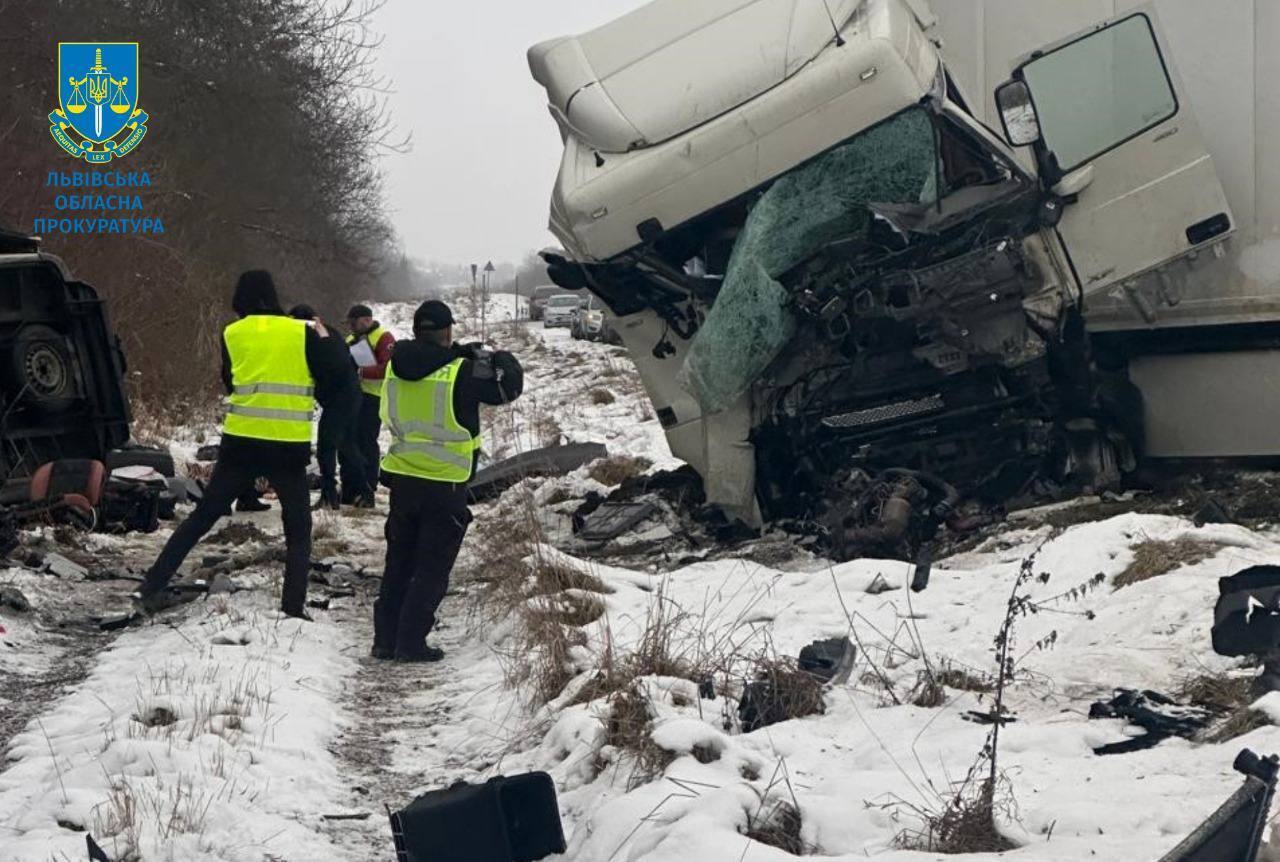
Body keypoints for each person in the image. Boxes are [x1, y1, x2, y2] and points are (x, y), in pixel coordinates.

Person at [137, 271, 343, 618]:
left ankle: (151, 585)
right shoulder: (303, 331)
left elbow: (230, 383)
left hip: (241, 441)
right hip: (286, 444)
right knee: (298, 527)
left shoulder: (232, 332)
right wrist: (324, 335)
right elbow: (335, 372)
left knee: (203, 517)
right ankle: (292, 606)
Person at [373, 299, 523, 661]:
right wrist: (498, 356)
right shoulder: (461, 371)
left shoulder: (395, 366)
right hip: (446, 484)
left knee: (399, 563)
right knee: (431, 568)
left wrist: (458, 354)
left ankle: (384, 640)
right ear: (447, 331)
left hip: (404, 478)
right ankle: (411, 643)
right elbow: (508, 389)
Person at [288, 304, 367, 509]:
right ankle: (364, 491)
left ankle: (329, 495)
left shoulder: (305, 335)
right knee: (348, 444)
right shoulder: (328, 330)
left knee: (326, 446)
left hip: (338, 398)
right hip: (352, 392)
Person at [344, 304, 395, 506]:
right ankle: (349, 488)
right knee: (348, 442)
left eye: (353, 323)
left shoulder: (384, 338)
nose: (350, 328)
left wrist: (360, 372)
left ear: (365, 320)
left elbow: (388, 368)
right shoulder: (350, 340)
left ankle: (368, 486)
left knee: (366, 443)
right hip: (352, 396)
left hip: (372, 398)